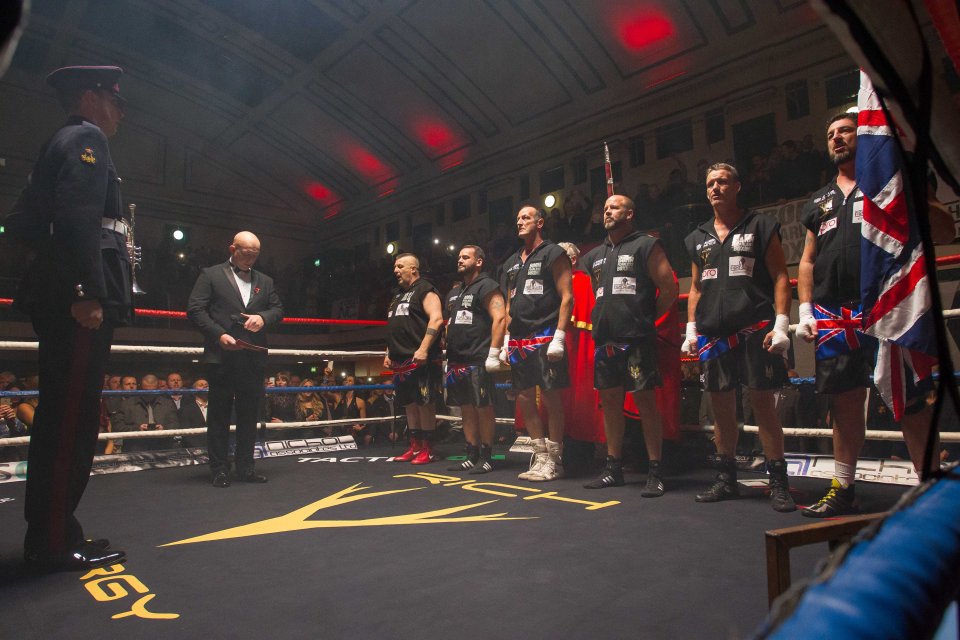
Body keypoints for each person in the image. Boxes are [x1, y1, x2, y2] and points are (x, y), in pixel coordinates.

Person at [4, 66, 130, 570]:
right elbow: (78, 217)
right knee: (69, 422)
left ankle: (58, 530)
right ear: (89, 97)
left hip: (62, 296)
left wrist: (57, 274)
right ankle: (53, 541)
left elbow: (20, 223)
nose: (121, 110)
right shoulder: (86, 138)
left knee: (66, 417)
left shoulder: (62, 141)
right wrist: (82, 289)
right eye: (115, 99)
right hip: (77, 303)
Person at [795, 114, 952, 517]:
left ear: (864, 136)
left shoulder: (890, 181)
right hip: (835, 317)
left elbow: (945, 229)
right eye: (830, 134)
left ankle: (932, 491)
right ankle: (843, 488)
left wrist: (913, 192)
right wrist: (805, 308)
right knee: (844, 404)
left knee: (910, 402)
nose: (836, 138)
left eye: (844, 130)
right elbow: (808, 261)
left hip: (887, 308)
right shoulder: (819, 201)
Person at [682, 163, 796, 512]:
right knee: (721, 410)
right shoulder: (697, 236)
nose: (716, 188)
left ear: (737, 186)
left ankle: (778, 481)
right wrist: (690, 329)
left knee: (763, 405)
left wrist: (781, 323)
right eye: (710, 184)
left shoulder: (760, 225)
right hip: (715, 335)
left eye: (723, 182)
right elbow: (697, 288)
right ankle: (726, 478)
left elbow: (780, 275)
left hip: (755, 330)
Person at [580, 195, 677, 493]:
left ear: (630, 213)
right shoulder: (594, 254)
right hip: (605, 340)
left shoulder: (646, 244)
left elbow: (670, 290)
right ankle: (613, 468)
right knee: (610, 405)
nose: (608, 210)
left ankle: (655, 471)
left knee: (646, 403)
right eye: (605, 207)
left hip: (636, 339)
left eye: (615, 207)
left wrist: (646, 320)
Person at [187, 231, 283, 487]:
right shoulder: (210, 274)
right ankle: (219, 469)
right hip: (221, 355)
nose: (250, 260)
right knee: (218, 414)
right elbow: (195, 309)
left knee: (249, 415)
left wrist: (263, 318)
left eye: (255, 255)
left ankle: (246, 468)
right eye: (246, 254)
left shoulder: (266, 280)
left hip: (253, 356)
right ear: (232, 249)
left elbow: (278, 310)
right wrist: (219, 334)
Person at [500, 206, 573, 481]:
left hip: (545, 335)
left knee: (552, 397)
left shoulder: (554, 253)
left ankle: (556, 459)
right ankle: (540, 456)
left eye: (526, 217)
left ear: (540, 222)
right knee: (524, 397)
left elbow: (567, 296)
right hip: (518, 339)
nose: (520, 221)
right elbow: (509, 303)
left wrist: (560, 336)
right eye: (517, 218)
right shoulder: (510, 263)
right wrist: (506, 338)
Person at [444, 245, 506, 474]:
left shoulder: (487, 285)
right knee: (465, 408)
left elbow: (500, 318)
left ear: (479, 261)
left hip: (478, 357)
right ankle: (471, 454)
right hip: (456, 359)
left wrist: (494, 352)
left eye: (465, 257)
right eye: (459, 257)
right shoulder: (455, 292)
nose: (460, 260)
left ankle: (487, 456)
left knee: (483, 408)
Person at [384, 253, 444, 464]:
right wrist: (388, 352)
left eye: (400, 266)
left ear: (413, 269)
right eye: (395, 267)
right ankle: (415, 446)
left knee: (424, 403)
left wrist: (424, 348)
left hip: (420, 357)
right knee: (409, 404)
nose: (396, 270)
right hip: (400, 360)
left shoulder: (425, 289)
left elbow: (436, 318)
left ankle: (428, 448)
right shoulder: (397, 294)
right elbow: (395, 326)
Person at [119, 373, 180, 451]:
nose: (149, 393)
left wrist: (164, 428)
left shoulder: (168, 403)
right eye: (146, 390)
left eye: (153, 390)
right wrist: (137, 429)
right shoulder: (127, 404)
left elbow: (175, 424)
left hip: (163, 447)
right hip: (135, 448)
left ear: (158, 387)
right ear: (140, 387)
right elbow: (118, 426)